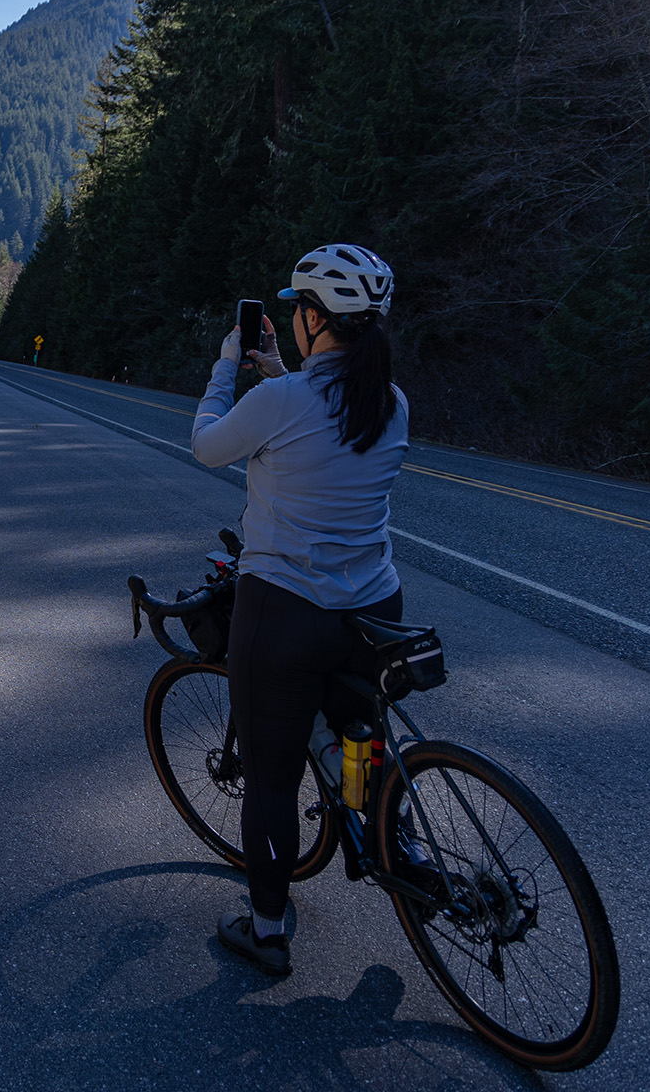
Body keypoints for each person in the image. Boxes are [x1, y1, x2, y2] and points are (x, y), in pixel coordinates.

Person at [188, 243, 408, 977]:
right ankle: (389, 841)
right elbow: (325, 420)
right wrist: (283, 372)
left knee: (273, 778)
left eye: (299, 309)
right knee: (361, 738)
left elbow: (208, 447)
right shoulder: (391, 401)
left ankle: (268, 929)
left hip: (286, 611)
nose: (294, 318)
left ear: (314, 317)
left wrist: (229, 367)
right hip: (374, 609)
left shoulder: (278, 403)